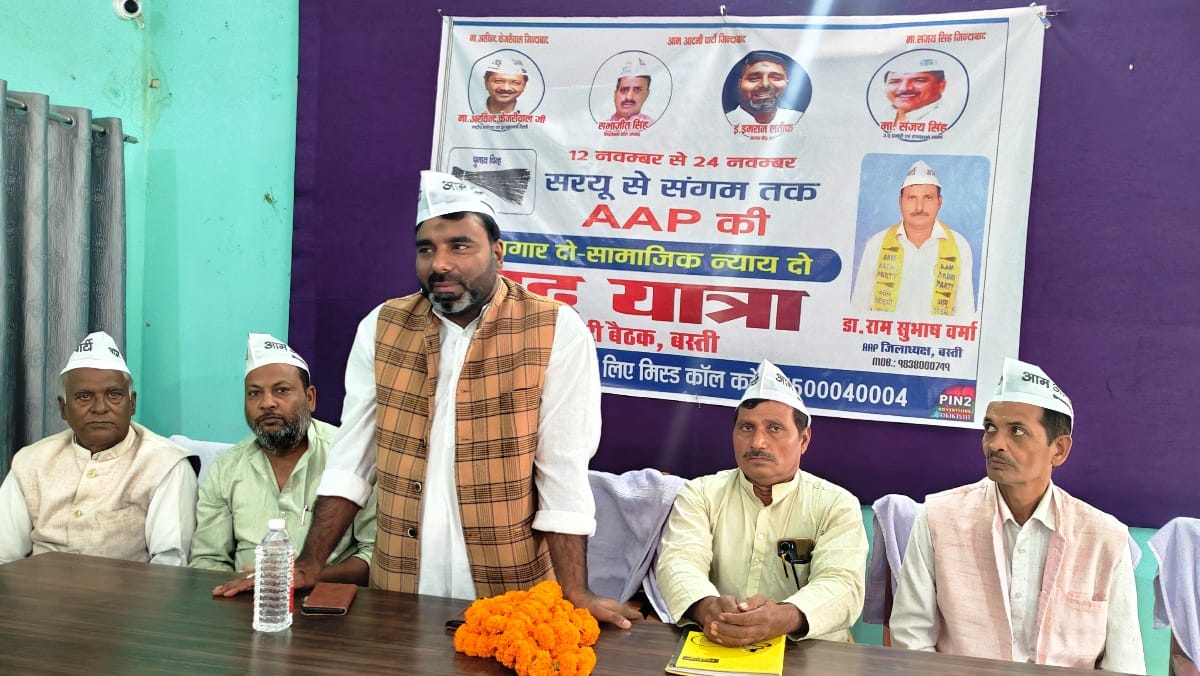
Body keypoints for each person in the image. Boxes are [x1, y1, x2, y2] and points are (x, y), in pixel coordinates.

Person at [290, 170, 639, 628]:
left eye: (460, 246)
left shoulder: (554, 328)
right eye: (426, 249)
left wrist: (575, 592)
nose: (440, 264)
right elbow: (351, 461)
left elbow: (562, 471)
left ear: (498, 252)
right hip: (400, 587)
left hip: (510, 592)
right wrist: (310, 564)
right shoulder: (381, 326)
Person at [890, 357, 1146, 674]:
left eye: (1017, 431)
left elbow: (1124, 663)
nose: (995, 444)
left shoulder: (1104, 538)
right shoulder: (939, 518)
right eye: (990, 428)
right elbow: (911, 639)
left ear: (1059, 449)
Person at [656, 359, 868, 646]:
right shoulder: (701, 494)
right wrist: (707, 607)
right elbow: (678, 562)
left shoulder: (836, 504)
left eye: (774, 428)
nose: (757, 442)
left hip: (812, 651)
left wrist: (784, 617)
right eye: (746, 427)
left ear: (804, 440)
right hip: (719, 641)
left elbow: (842, 584)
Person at [0, 331, 197, 565]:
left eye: (114, 395)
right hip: (35, 586)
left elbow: (170, 566)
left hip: (127, 589)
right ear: (63, 408)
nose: (100, 408)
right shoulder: (31, 462)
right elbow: (4, 554)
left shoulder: (165, 464)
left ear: (132, 403)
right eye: (84, 397)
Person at [197, 333, 376, 590]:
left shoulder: (352, 457)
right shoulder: (226, 468)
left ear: (310, 398)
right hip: (247, 601)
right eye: (254, 393)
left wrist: (304, 577)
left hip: (327, 600)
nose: (267, 403)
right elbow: (207, 560)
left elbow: (373, 556)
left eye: (282, 390)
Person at [851, 160, 975, 317]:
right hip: (886, 333)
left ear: (940, 202)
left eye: (928, 198)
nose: (919, 207)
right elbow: (858, 309)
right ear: (900, 202)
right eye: (911, 198)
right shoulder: (877, 243)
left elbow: (965, 314)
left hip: (936, 333)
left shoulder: (959, 245)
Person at [725, 51, 803, 127]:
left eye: (776, 78)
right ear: (739, 84)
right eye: (754, 78)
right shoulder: (722, 122)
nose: (765, 84)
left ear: (787, 84)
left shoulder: (801, 121)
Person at [882, 52, 948, 124]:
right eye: (894, 82)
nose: (903, 88)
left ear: (941, 85)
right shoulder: (882, 114)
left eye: (918, 81)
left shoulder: (948, 116)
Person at [608, 58, 653, 125]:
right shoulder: (598, 128)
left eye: (637, 90)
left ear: (646, 95)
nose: (629, 97)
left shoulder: (656, 126)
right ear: (615, 94)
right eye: (624, 90)